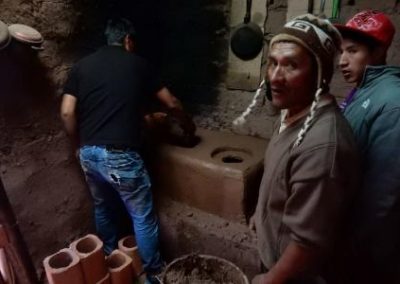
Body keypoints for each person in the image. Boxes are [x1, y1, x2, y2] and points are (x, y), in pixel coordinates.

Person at [60, 18, 194, 284]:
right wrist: (188, 124)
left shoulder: (81, 67)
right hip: (121, 157)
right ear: (128, 41)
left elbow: (66, 112)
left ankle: (110, 260)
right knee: (142, 216)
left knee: (103, 207)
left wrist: (78, 146)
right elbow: (172, 101)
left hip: (89, 154)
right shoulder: (138, 64)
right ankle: (154, 274)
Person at [251, 14, 359, 284]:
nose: (276, 77)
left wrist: (269, 280)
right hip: (273, 255)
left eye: (291, 65)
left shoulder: (322, 145)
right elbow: (281, 180)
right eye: (273, 62)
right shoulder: (291, 112)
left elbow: (307, 243)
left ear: (319, 74)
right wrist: (261, 213)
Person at [336, 10, 400, 283]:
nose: (342, 61)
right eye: (341, 51)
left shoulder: (393, 103)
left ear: (378, 52)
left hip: (366, 248)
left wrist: (351, 246)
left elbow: (383, 195)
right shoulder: (364, 89)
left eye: (353, 51)